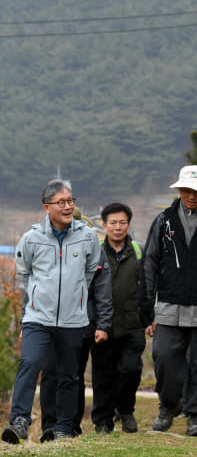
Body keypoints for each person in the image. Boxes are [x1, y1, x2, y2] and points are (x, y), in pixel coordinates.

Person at [1, 179, 100, 444]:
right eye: (61, 203)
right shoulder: (31, 238)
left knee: (69, 373)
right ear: (47, 207)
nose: (68, 206)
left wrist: (76, 297)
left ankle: (62, 426)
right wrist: (27, 311)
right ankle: (20, 421)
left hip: (72, 319)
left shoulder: (88, 236)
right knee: (30, 362)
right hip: (37, 317)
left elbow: (90, 272)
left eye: (71, 201)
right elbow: (24, 276)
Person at [139, 165, 197, 438]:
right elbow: (149, 263)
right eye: (186, 190)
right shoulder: (163, 220)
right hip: (169, 305)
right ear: (179, 190)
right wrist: (147, 308)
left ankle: (195, 417)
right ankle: (168, 405)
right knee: (165, 357)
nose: (191, 195)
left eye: (196, 191)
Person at [39, 208, 113, 442]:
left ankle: (69, 424)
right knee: (51, 373)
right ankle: (49, 426)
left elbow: (103, 291)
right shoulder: (44, 247)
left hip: (81, 324)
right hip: (48, 321)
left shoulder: (93, 252)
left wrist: (103, 323)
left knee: (73, 375)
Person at [91, 203, 146, 435]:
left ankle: (125, 411)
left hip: (133, 323)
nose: (117, 227)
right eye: (112, 223)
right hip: (103, 324)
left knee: (131, 369)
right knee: (103, 373)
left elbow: (148, 286)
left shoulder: (139, 250)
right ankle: (103, 420)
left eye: (122, 222)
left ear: (128, 225)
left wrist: (149, 317)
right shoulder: (95, 252)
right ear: (103, 226)